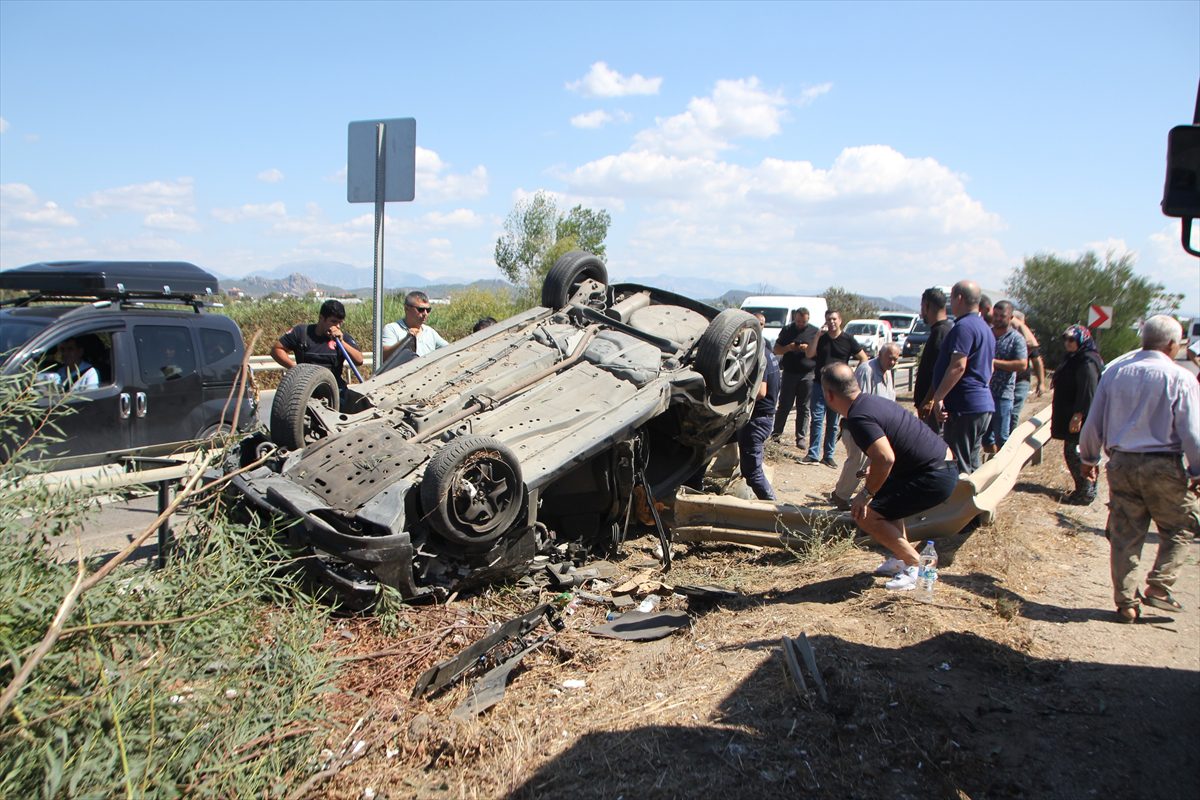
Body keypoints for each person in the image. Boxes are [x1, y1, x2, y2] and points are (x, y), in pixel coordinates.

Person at [1078, 315, 1200, 623]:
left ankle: (1126, 603)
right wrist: (1197, 469)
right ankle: (1159, 586)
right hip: (1163, 463)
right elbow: (1191, 431)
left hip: (1121, 463)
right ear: (1173, 344)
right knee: (1181, 526)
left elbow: (1094, 422)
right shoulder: (1181, 377)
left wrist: (1088, 459)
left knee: (1125, 535)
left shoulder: (1116, 373)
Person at [820, 362, 959, 590]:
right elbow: (893, 453)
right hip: (940, 466)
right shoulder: (871, 402)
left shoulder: (858, 417)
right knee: (886, 504)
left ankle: (918, 567)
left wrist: (865, 493)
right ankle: (902, 560)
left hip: (934, 476)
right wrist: (875, 476)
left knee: (865, 514)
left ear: (829, 394)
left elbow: (885, 458)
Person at [925, 280, 995, 474]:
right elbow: (990, 368)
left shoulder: (963, 327)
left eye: (952, 298)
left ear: (960, 298)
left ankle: (962, 504)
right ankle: (975, 502)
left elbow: (958, 366)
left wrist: (938, 397)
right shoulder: (984, 328)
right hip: (981, 404)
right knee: (972, 463)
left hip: (964, 407)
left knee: (958, 465)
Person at [831, 343, 900, 510]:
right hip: (858, 424)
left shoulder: (888, 373)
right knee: (858, 460)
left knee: (877, 461)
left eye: (895, 359)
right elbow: (859, 401)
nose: (892, 362)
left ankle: (867, 494)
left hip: (878, 427)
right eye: (889, 358)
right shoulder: (866, 370)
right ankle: (841, 495)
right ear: (880, 354)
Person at [804, 310, 867, 468]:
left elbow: (863, 358)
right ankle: (813, 454)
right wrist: (817, 336)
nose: (831, 322)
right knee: (817, 420)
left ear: (840, 320)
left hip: (838, 388)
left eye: (834, 319)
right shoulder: (822, 338)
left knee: (832, 423)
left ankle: (828, 455)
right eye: (828, 319)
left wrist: (852, 375)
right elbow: (809, 354)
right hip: (820, 384)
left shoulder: (848, 339)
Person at [1051, 325, 1104, 505]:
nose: (1067, 343)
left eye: (1071, 339)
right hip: (1073, 413)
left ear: (1082, 340)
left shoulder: (1087, 361)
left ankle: (1085, 492)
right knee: (1078, 452)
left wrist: (1078, 415)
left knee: (1075, 453)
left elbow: (1088, 391)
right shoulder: (1075, 358)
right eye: (1065, 339)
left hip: (1082, 417)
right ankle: (1086, 490)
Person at [271, 299, 365, 397]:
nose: (337, 326)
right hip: (306, 388)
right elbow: (276, 350)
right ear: (321, 318)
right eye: (333, 321)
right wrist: (295, 368)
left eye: (340, 323)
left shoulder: (342, 338)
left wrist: (342, 342)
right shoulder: (302, 333)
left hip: (334, 389)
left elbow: (359, 360)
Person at [738, 322, 781, 501]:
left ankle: (775, 510)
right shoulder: (770, 354)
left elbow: (761, 392)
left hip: (756, 421)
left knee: (753, 474)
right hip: (764, 418)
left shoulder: (758, 356)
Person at [982, 301, 1028, 454]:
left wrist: (995, 363)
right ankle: (990, 468)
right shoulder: (986, 334)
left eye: (1002, 316)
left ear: (1010, 317)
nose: (998, 319)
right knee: (985, 438)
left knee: (1002, 437)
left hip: (1003, 395)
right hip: (983, 393)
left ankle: (1004, 472)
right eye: (996, 315)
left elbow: (1022, 364)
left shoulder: (1016, 339)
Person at [771, 307, 820, 449]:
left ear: (808, 319)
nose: (800, 324)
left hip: (808, 373)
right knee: (784, 405)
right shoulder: (787, 330)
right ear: (794, 318)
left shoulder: (814, 332)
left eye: (803, 322)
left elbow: (819, 352)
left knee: (804, 407)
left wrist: (808, 348)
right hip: (789, 372)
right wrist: (790, 348)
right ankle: (776, 434)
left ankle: (801, 437)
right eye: (798, 321)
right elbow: (776, 349)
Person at [914, 287, 955, 434]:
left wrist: (928, 400)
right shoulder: (942, 329)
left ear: (926, 306)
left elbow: (939, 371)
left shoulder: (941, 332)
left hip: (931, 408)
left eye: (922, 307)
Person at [381, 291, 449, 362]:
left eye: (428, 310)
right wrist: (406, 340)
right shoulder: (392, 329)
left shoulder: (430, 332)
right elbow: (384, 356)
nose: (425, 313)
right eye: (421, 310)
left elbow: (449, 349)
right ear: (406, 309)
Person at [1010, 310, 1045, 430]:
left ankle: (1009, 439)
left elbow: (1037, 361)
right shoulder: (1005, 334)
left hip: (1021, 380)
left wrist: (1041, 383)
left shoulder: (1026, 340)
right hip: (1006, 380)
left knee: (1014, 413)